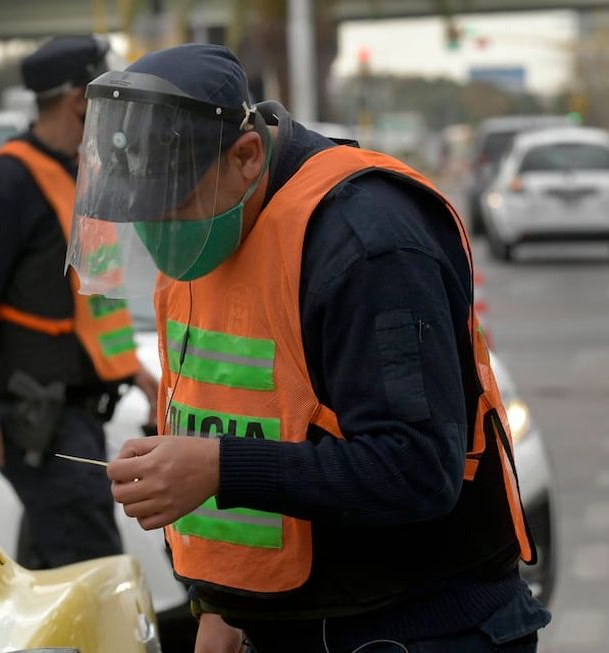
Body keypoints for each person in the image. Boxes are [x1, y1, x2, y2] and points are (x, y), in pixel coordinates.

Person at [66, 44, 552, 652]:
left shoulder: (367, 242)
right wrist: (218, 610)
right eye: (143, 215)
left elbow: (417, 466)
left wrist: (219, 467)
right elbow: (231, 405)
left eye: (175, 206)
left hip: (415, 631)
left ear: (246, 157)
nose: (159, 233)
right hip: (285, 628)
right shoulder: (206, 239)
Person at [0, 35, 157, 569]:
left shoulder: (76, 172)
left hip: (78, 411)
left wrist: (135, 371)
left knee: (61, 570)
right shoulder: (5, 181)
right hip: (36, 415)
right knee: (96, 566)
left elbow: (92, 302)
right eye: (106, 97)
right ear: (77, 101)